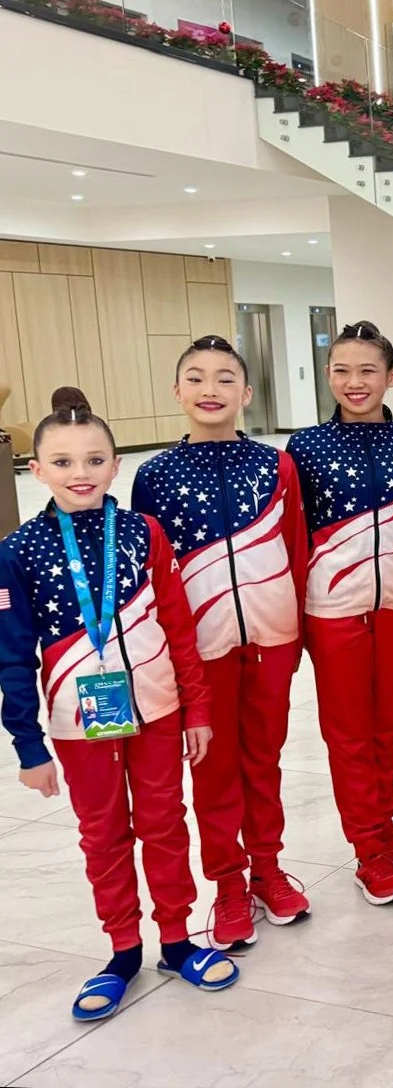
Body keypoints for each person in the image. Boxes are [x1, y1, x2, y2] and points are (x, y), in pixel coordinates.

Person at [0, 388, 238, 1021]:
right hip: (79, 726)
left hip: (157, 710)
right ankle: (123, 949)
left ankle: (178, 938)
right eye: (63, 462)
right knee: (104, 833)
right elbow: (12, 658)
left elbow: (180, 627)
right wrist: (29, 745)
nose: (81, 474)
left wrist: (198, 708)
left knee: (163, 821)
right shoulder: (17, 552)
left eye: (95, 459)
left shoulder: (142, 532)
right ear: (37, 469)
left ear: (116, 464)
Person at [130, 335, 310, 950]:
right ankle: (227, 883)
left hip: (271, 639)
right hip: (201, 650)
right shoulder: (154, 477)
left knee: (264, 759)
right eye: (197, 378)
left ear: (247, 393)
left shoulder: (274, 464)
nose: (211, 390)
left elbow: (296, 549)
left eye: (225, 379)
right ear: (177, 391)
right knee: (214, 771)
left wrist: (298, 633)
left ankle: (267, 869)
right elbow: (149, 575)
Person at [286, 322, 393, 906]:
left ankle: (385, 825)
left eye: (367, 370)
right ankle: (366, 849)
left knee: (382, 725)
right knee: (348, 733)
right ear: (328, 376)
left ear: (391, 377)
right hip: (333, 610)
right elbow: (294, 535)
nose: (354, 382)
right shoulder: (304, 449)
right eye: (342, 371)